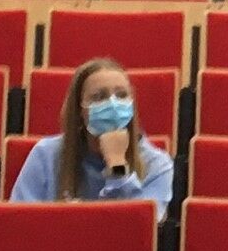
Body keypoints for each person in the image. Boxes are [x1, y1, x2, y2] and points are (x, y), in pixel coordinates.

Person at [10, 57, 175, 221]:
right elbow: (19, 222)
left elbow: (138, 226)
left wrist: (117, 165)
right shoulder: (46, 155)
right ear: (79, 110)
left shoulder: (156, 163)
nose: (113, 104)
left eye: (122, 95)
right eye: (99, 97)